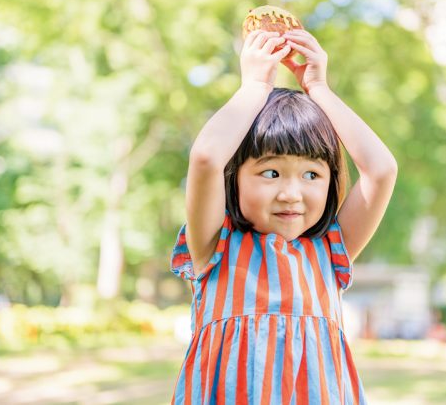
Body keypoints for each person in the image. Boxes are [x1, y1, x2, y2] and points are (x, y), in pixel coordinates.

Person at [170, 27, 398, 404]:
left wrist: (319, 88)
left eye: (312, 174)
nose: (291, 193)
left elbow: (381, 170)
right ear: (235, 178)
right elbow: (207, 158)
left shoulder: (328, 251)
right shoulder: (215, 246)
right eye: (271, 172)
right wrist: (255, 86)